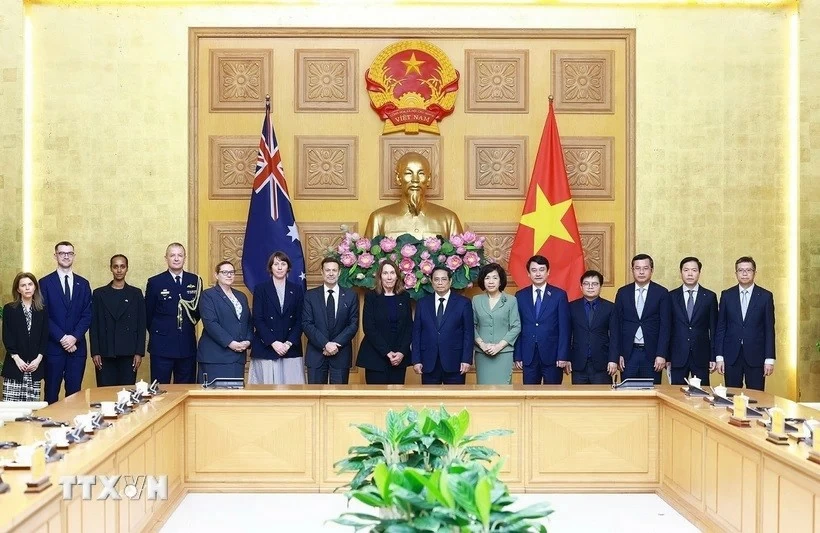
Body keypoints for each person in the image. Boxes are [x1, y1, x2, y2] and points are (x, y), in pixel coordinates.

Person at [39, 241, 92, 404]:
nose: (66, 256)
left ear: (74, 256)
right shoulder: (44, 283)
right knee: (51, 393)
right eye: (62, 253)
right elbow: (43, 315)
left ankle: (73, 427)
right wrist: (62, 338)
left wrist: (74, 337)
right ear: (55, 256)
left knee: (75, 394)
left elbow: (87, 314)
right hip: (54, 348)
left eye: (69, 253)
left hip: (77, 349)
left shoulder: (83, 284)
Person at [364, 152, 463, 239]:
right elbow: (368, 257)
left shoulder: (449, 219)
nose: (415, 179)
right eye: (408, 173)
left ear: (428, 179)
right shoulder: (379, 219)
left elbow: (460, 258)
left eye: (421, 173)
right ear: (398, 178)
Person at [714, 256, 775, 391]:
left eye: (748, 270)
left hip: (756, 356)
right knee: (731, 396)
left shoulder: (765, 296)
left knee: (756, 396)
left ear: (754, 272)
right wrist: (719, 356)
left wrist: (769, 359)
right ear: (736, 273)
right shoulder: (727, 295)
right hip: (731, 356)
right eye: (741, 270)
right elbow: (721, 327)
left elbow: (769, 329)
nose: (745, 273)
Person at [145, 243, 202, 384]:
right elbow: (148, 314)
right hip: (162, 346)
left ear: (185, 258)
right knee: (159, 390)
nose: (176, 259)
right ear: (166, 258)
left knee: (185, 389)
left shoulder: (195, 280)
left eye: (180, 255)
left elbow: (198, 311)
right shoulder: (155, 282)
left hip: (186, 345)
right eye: (172, 255)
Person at [89, 254, 146, 387]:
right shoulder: (99, 294)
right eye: (116, 267)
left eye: (122, 266)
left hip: (129, 353)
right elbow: (94, 325)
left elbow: (141, 324)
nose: (119, 270)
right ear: (111, 268)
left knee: (126, 394)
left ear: (127, 268)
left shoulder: (136, 294)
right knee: (105, 393)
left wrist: (139, 352)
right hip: (105, 352)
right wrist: (95, 352)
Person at [613, 253, 671, 384]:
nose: (641, 272)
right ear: (632, 270)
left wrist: (661, 354)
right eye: (637, 268)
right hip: (629, 353)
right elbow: (617, 325)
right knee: (627, 392)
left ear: (652, 270)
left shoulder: (661, 293)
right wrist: (618, 354)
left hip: (652, 354)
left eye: (645, 268)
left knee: (652, 392)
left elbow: (665, 326)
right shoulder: (623, 292)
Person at [513, 255, 570, 385]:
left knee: (552, 396)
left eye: (541, 269)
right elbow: (518, 327)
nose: (538, 273)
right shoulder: (520, 296)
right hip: (528, 355)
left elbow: (564, 328)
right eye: (534, 270)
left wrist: (563, 355)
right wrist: (518, 355)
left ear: (548, 272)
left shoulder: (559, 295)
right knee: (530, 395)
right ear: (528, 273)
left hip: (553, 356)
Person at [250, 251, 305, 384]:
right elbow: (258, 318)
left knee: (293, 394)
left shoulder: (297, 289)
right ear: (270, 267)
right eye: (276, 264)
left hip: (290, 348)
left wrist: (288, 343)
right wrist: (274, 343)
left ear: (288, 267)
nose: (280, 267)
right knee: (266, 394)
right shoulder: (261, 289)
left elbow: (301, 319)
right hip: (266, 348)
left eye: (283, 263)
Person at [412, 267, 474, 385]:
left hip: (455, 362)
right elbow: (416, 333)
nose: (440, 283)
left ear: (450, 281)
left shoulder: (463, 303)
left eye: (444, 279)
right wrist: (416, 360)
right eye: (436, 279)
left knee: (455, 401)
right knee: (429, 402)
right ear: (431, 281)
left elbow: (468, 333)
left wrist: (466, 359)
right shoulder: (422, 303)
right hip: (428, 362)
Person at [302, 257, 359, 384]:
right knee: (315, 397)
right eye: (327, 270)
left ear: (339, 272)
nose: (331, 273)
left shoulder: (351, 295)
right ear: (322, 272)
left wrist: (335, 344)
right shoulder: (310, 295)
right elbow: (307, 324)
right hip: (316, 355)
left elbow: (353, 324)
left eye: (334, 270)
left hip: (341, 355)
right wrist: (325, 344)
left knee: (339, 400)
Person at [357, 259, 412, 384]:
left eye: (392, 273)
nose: (389, 277)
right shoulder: (371, 296)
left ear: (397, 276)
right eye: (385, 273)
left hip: (399, 358)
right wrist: (387, 352)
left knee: (396, 400)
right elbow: (369, 327)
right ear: (380, 276)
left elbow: (409, 327)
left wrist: (401, 352)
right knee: (376, 400)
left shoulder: (404, 297)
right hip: (376, 357)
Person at [197, 261, 252, 382]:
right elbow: (210, 323)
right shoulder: (208, 295)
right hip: (216, 357)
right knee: (215, 398)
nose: (229, 275)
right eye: (224, 272)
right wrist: (230, 343)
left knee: (235, 398)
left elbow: (248, 321)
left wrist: (248, 340)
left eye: (231, 272)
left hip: (238, 357)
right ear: (216, 275)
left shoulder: (241, 296)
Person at [668, 257, 718, 386]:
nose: (690, 274)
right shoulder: (671, 296)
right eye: (686, 270)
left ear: (699, 273)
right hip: (677, 356)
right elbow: (667, 328)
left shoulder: (709, 297)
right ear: (681, 273)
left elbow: (714, 330)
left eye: (694, 270)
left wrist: (713, 356)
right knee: (676, 395)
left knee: (702, 395)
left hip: (701, 356)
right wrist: (667, 356)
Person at [1, 273, 49, 401]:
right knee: (11, 410)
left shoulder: (42, 310)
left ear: (35, 287)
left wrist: (38, 360)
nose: (27, 288)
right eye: (23, 285)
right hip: (15, 365)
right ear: (18, 289)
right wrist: (17, 359)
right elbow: (7, 336)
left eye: (30, 284)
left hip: (34, 366)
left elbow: (44, 337)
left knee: (31, 412)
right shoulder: (10, 309)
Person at [472, 263, 520, 385]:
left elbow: (516, 326)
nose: (491, 281)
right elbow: (471, 326)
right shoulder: (476, 300)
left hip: (504, 353)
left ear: (500, 280)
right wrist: (482, 344)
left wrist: (499, 346)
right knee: (483, 391)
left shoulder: (511, 300)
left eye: (495, 277)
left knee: (504, 392)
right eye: (487, 278)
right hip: (482, 353)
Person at [569, 270, 617, 385]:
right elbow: (566, 334)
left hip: (603, 364)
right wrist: (567, 358)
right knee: (580, 402)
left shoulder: (610, 307)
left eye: (595, 284)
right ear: (581, 287)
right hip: (578, 363)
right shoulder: (571, 307)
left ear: (600, 286)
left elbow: (615, 336)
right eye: (586, 284)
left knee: (602, 401)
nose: (590, 287)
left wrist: (613, 359)